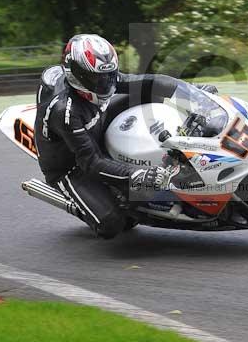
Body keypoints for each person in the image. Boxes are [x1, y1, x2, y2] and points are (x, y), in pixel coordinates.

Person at [34, 33, 215, 239]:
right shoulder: (64, 111)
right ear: (78, 76)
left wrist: (193, 94)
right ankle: (85, 205)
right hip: (71, 165)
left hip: (94, 127)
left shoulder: (100, 80)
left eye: (110, 75)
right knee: (113, 223)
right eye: (98, 78)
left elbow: (149, 82)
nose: (107, 83)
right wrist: (136, 174)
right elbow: (91, 162)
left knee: (149, 91)